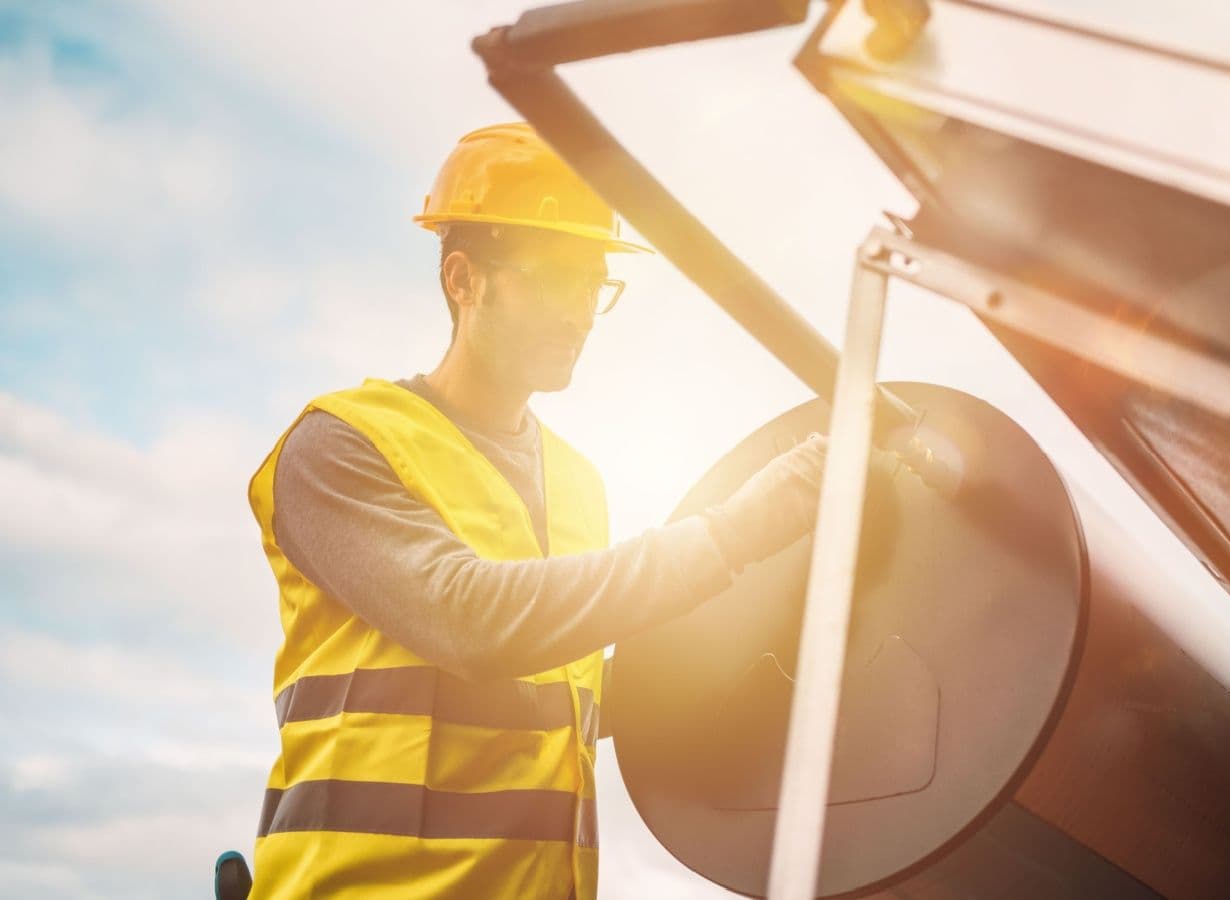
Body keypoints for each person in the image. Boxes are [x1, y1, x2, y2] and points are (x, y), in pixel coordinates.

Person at [242, 122, 832, 899]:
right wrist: (737, 528)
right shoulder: (341, 447)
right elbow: (473, 622)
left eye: (595, 284)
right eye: (555, 277)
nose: (581, 312)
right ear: (463, 280)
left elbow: (556, 700)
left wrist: (745, 661)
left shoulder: (580, 482)